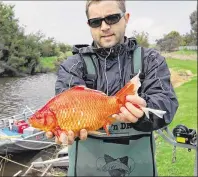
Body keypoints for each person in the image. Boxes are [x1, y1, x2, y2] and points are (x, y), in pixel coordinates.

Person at [46, 0, 179, 176]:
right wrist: (66, 132)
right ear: (89, 25)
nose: (104, 27)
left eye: (112, 18)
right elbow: (66, 107)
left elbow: (166, 104)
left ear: (126, 18)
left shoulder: (151, 60)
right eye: (96, 21)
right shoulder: (72, 66)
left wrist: (143, 112)